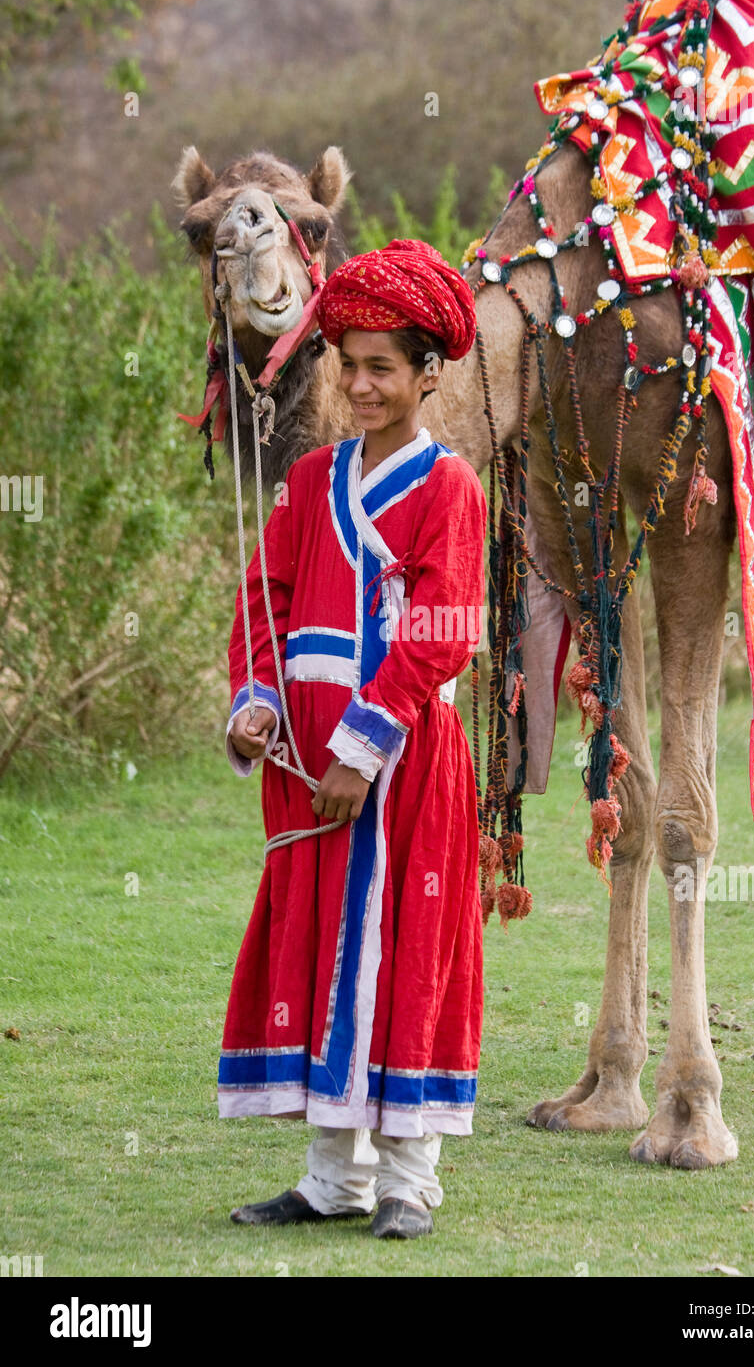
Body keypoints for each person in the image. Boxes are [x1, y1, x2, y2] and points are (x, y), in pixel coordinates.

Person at [219, 238, 487, 1240]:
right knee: (322, 948)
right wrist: (257, 697)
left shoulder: (449, 491)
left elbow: (441, 628)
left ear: (428, 374)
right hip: (308, 764)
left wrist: (361, 748)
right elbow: (265, 594)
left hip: (401, 761)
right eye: (350, 364)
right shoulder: (311, 480)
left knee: (409, 949)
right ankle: (334, 1177)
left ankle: (410, 1181)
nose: (364, 383)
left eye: (386, 367)